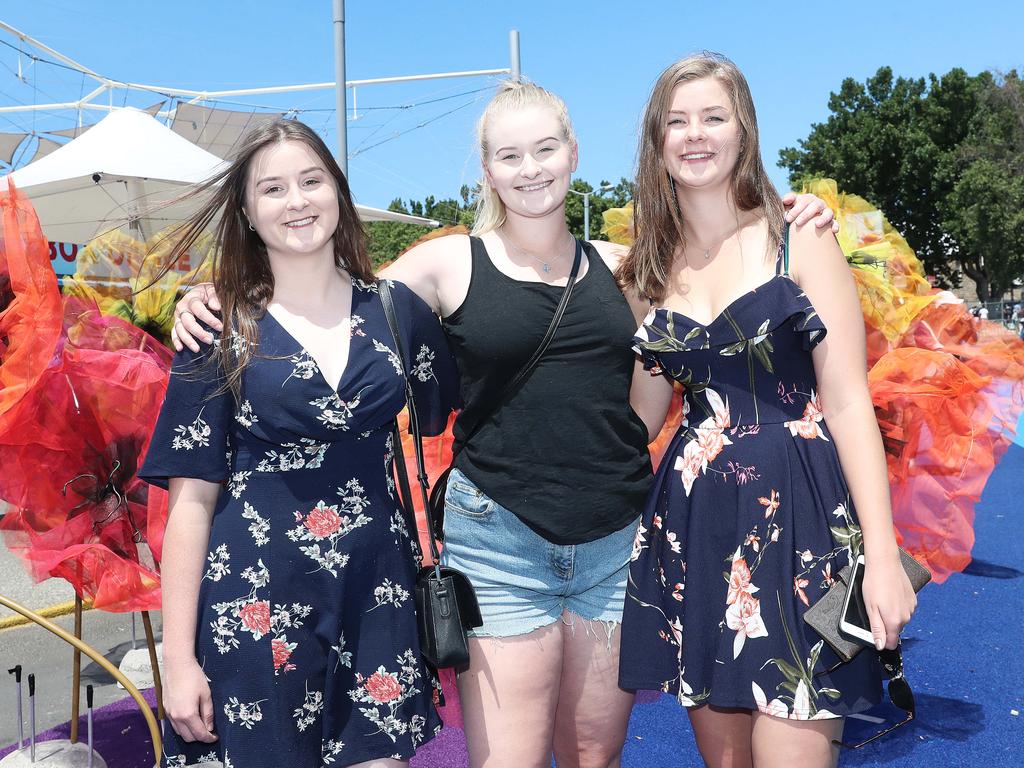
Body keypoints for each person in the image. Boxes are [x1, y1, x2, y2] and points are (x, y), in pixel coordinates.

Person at [171, 81, 836, 768]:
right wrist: (215, 297)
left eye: (546, 149)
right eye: (510, 155)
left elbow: (686, 337)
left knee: (592, 757)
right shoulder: (446, 262)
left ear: (573, 154)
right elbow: (332, 303)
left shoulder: (627, 269)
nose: (531, 168)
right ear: (487, 169)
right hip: (498, 545)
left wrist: (791, 219)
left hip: (614, 542)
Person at [617, 54, 917, 767]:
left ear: (743, 130)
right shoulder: (647, 270)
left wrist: (882, 556)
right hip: (697, 528)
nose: (695, 135)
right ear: (656, 140)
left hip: (804, 524)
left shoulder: (800, 237)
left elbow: (846, 401)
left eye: (713, 118)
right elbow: (640, 418)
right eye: (676, 121)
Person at [140, 119, 458, 767]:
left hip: (377, 599)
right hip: (256, 605)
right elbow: (190, 505)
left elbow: (472, 402)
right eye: (274, 188)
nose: (297, 200)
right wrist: (176, 660)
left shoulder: (398, 312)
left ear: (338, 192)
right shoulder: (217, 327)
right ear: (249, 213)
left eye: (312, 181)